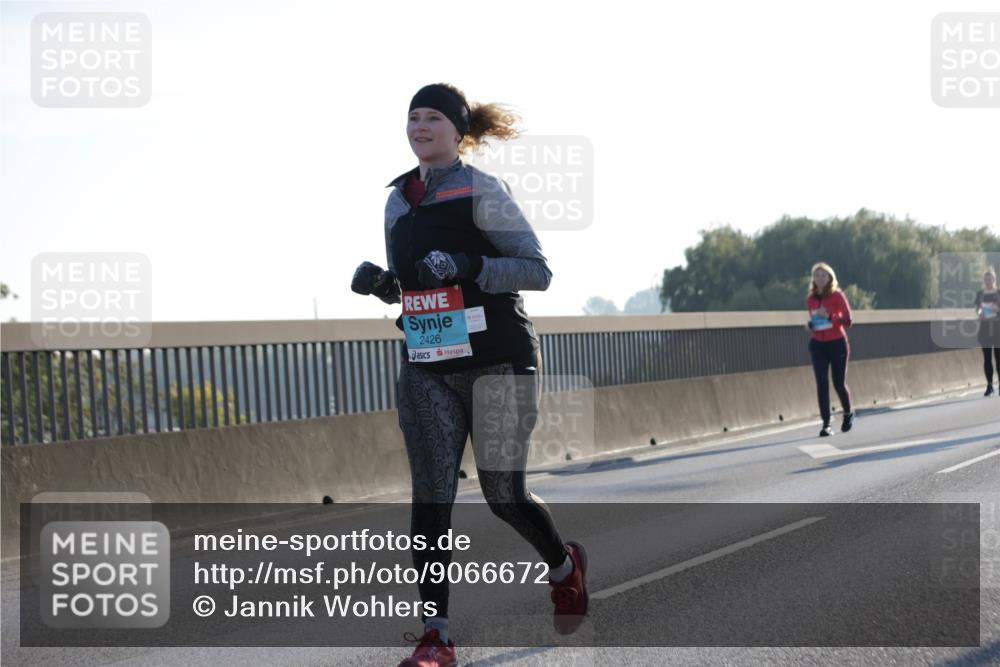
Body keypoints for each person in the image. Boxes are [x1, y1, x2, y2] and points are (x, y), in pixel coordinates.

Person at [351, 83, 588, 667]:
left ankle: (564, 568)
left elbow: (536, 271)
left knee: (503, 494)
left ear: (458, 132)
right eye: (413, 117)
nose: (420, 126)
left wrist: (468, 265)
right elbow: (418, 290)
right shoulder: (397, 201)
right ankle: (437, 636)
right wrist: (385, 286)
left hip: (499, 360)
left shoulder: (483, 190)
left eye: (433, 117)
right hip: (430, 365)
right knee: (431, 496)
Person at [805, 262, 855, 437]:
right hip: (818, 345)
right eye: (817, 275)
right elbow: (815, 320)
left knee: (838, 383)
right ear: (813, 279)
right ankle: (826, 424)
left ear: (830, 278)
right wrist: (810, 325)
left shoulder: (837, 296)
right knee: (821, 383)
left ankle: (848, 413)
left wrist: (830, 316)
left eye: (823, 275)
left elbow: (848, 321)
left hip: (837, 343)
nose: (820, 278)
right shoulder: (811, 299)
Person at [975, 267, 1000, 396]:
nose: (988, 281)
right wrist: (980, 313)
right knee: (987, 358)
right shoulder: (980, 294)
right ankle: (990, 385)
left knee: (999, 358)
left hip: (997, 329)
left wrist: (997, 310)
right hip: (985, 329)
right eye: (986, 279)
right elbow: (978, 308)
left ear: (994, 280)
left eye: (990, 279)